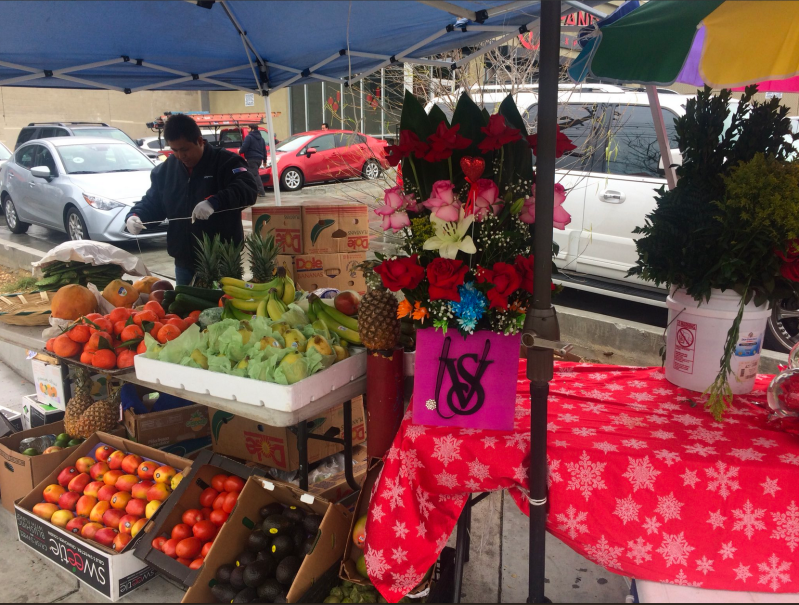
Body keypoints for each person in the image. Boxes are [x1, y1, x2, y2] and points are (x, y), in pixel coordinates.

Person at [125, 114, 258, 286]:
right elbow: (154, 202)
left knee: (225, 309)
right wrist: (136, 216)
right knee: (185, 311)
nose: (181, 156)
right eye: (174, 150)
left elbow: (247, 188)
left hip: (223, 262)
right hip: (184, 263)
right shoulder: (166, 171)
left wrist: (214, 202)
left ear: (200, 141)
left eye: (185, 149)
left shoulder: (226, 162)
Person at [239, 125, 267, 197]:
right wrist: (264, 161)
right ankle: (255, 191)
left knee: (255, 175)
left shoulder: (249, 137)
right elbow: (264, 150)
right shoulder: (261, 139)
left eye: (248, 128)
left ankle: (261, 191)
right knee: (252, 174)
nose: (247, 129)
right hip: (259, 160)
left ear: (252, 129)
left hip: (251, 159)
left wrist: (239, 151)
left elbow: (244, 148)